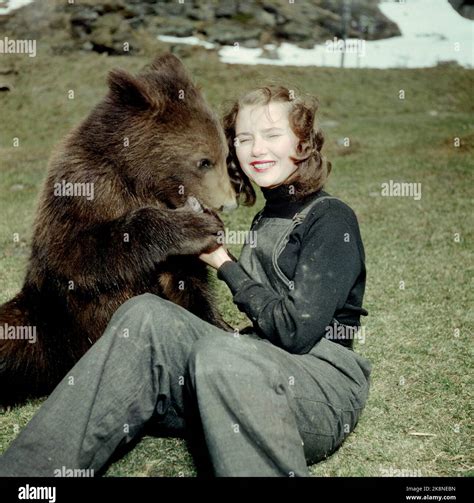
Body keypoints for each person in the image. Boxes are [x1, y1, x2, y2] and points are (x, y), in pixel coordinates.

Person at [0, 86, 372, 477]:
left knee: (222, 354)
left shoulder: (331, 219)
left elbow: (295, 331)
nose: (257, 149)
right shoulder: (269, 216)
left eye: (272, 135)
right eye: (244, 139)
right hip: (251, 371)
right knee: (144, 315)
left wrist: (225, 264)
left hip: (318, 388)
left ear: (304, 142)